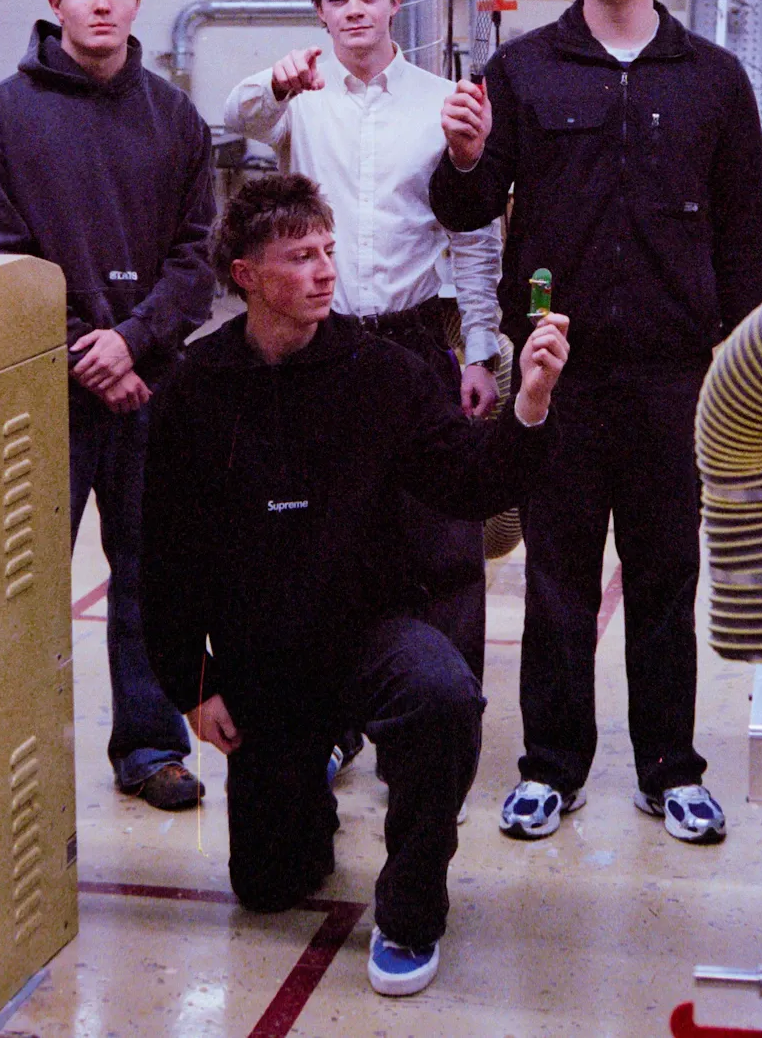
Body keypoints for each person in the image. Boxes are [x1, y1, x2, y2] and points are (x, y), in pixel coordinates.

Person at [139, 174, 570, 998]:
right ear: (246, 274)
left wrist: (532, 408)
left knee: (443, 697)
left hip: (368, 630)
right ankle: (304, 784)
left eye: (329, 250)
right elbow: (166, 554)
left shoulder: (384, 373)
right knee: (271, 886)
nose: (325, 271)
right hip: (264, 659)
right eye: (300, 256)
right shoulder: (196, 388)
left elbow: (473, 480)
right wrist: (193, 683)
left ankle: (412, 911)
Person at [429, 0, 762, 846]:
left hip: (675, 374)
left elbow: (748, 227)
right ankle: (552, 765)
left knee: (666, 574)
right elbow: (462, 209)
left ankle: (671, 767)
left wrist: (745, 362)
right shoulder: (521, 73)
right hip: (557, 375)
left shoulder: (712, 77)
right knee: (557, 579)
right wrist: (460, 156)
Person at [0, 0, 216, 812]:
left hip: (154, 385)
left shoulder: (175, 115)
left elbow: (199, 256)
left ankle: (150, 746)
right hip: (45, 390)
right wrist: (89, 349)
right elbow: (3, 253)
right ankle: (6, 747)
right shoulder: (4, 114)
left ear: (138, 1)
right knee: (20, 577)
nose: (101, 5)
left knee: (151, 571)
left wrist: (135, 342)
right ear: (55, 2)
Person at [222, 0, 501, 707]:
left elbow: (473, 233)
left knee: (443, 534)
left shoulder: (440, 106)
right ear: (319, 11)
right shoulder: (296, 102)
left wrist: (479, 347)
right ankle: (334, 717)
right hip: (324, 346)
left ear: (395, 4)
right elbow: (232, 110)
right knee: (321, 537)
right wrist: (274, 82)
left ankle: (449, 713)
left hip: (415, 340)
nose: (353, 11)